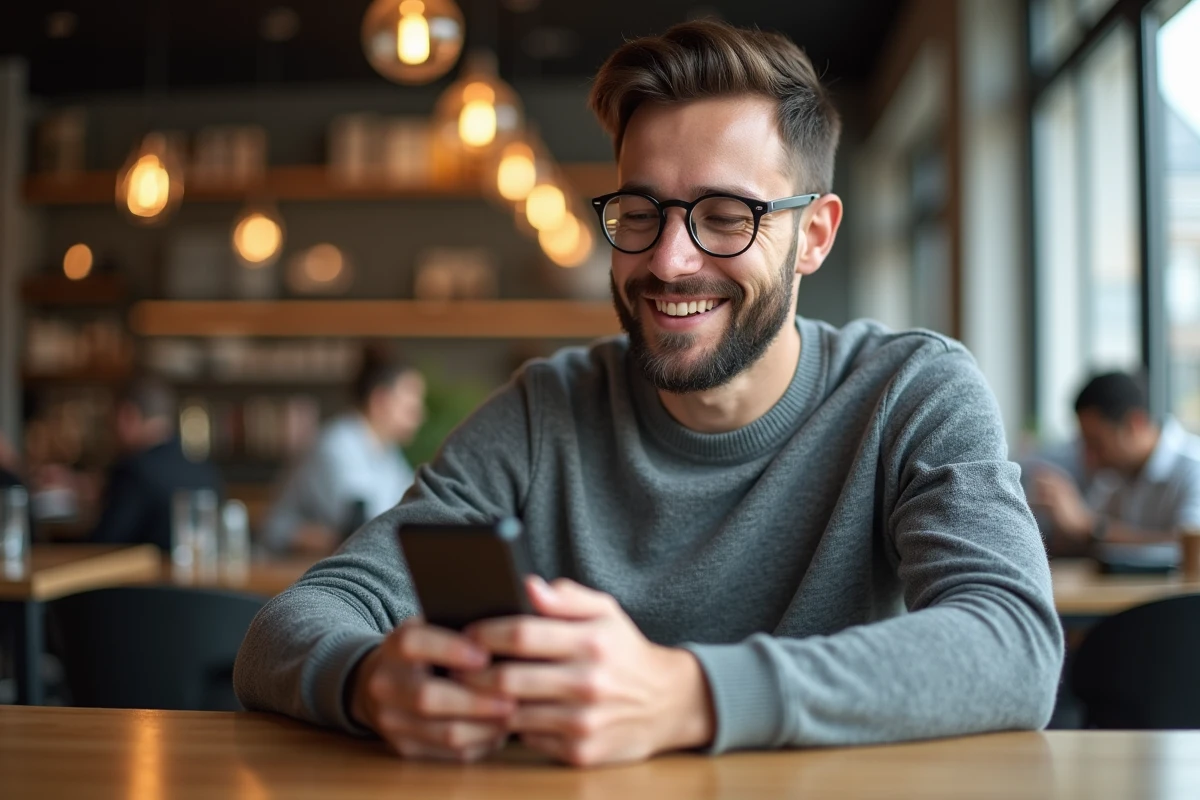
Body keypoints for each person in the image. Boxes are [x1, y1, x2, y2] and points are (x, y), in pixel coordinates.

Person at [235, 20, 1062, 766]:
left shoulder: (910, 393)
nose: (668, 261)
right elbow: (295, 622)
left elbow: (1014, 645)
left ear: (813, 235)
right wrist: (369, 680)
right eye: (639, 212)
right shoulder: (543, 414)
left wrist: (689, 695)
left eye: (726, 215)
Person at [262, 350, 425, 555]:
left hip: (338, 559)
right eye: (411, 407)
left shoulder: (388, 450)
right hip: (288, 562)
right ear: (380, 400)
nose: (420, 416)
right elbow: (365, 525)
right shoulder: (337, 445)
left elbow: (410, 509)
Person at [1034, 371, 1200, 568]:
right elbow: (1089, 539)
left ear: (1135, 424)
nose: (1089, 458)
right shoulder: (1114, 474)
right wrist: (1063, 522)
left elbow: (1191, 549)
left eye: (1097, 443)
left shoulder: (1193, 467)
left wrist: (1091, 527)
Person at [90, 377, 222, 552]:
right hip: (200, 569)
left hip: (141, 570)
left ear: (126, 416)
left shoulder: (134, 471)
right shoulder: (205, 469)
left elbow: (105, 542)